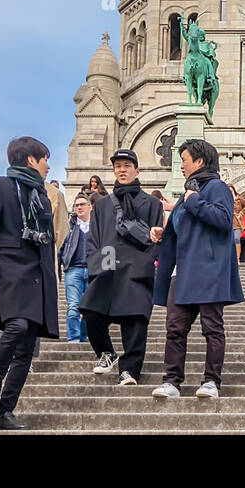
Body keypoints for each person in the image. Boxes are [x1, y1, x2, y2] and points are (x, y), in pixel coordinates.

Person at [0, 136, 60, 430]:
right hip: (11, 269)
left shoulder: (42, 193)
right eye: (45, 158)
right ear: (31, 159)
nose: (48, 165)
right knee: (16, 326)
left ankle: (4, 412)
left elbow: (48, 237)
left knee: (27, 346)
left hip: (39, 273)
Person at [153, 138, 245, 398]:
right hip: (182, 272)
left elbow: (223, 219)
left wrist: (193, 201)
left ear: (199, 161)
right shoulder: (187, 193)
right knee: (174, 328)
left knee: (211, 327)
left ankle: (211, 382)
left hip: (208, 270)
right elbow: (183, 226)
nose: (180, 165)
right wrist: (164, 232)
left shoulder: (216, 187)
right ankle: (172, 381)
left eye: (184, 159)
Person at [80, 149, 164, 387]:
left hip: (137, 267)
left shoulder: (152, 203)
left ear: (137, 170)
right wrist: (98, 267)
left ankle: (130, 371)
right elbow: (94, 239)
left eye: (127, 165)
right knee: (91, 312)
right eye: (118, 166)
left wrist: (146, 262)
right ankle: (107, 352)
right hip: (108, 266)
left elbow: (157, 237)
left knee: (135, 322)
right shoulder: (103, 204)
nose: (122, 170)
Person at [57, 194, 93, 342]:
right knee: (73, 307)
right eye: (76, 205)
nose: (79, 207)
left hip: (93, 270)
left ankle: (84, 337)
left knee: (89, 309)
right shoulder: (69, 226)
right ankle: (73, 338)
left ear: (90, 207)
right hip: (73, 269)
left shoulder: (98, 226)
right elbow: (60, 248)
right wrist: (57, 270)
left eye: (82, 204)